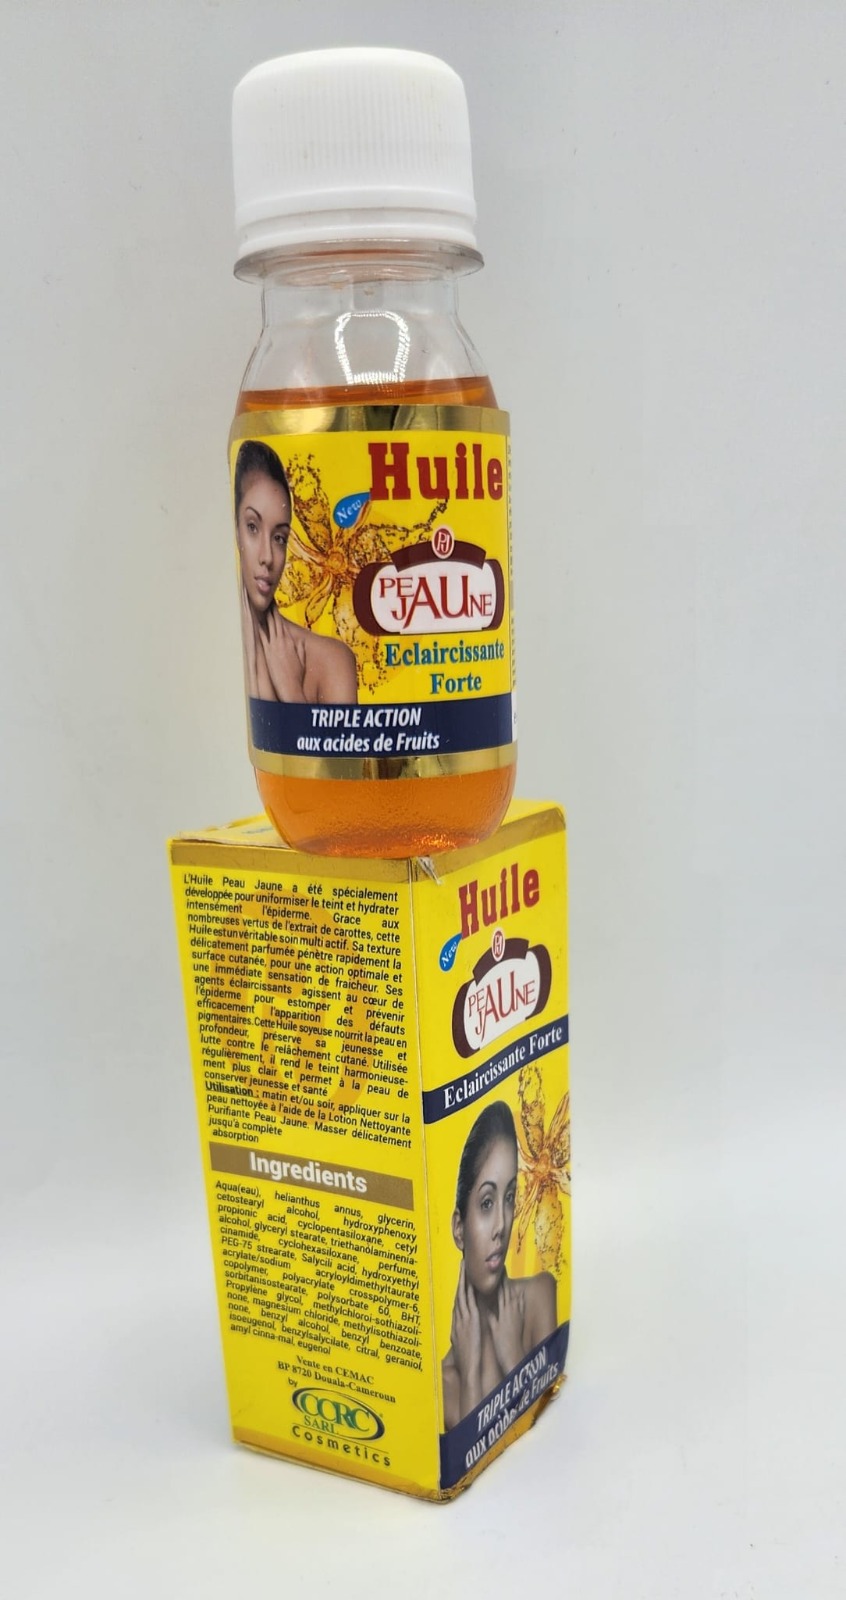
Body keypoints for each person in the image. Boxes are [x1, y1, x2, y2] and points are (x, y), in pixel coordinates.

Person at [442, 1101, 557, 1430]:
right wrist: (470, 1372)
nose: (502, 1225)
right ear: (459, 1228)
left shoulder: (540, 1295)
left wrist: (513, 1357)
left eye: (509, 1198)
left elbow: (550, 1422)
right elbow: (471, 1450)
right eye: (486, 1203)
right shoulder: (446, 1382)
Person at [234, 440, 357, 704]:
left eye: (279, 538)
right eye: (252, 527)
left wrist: (290, 689)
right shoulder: (216, 652)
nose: (267, 557)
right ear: (235, 530)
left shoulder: (332, 660)